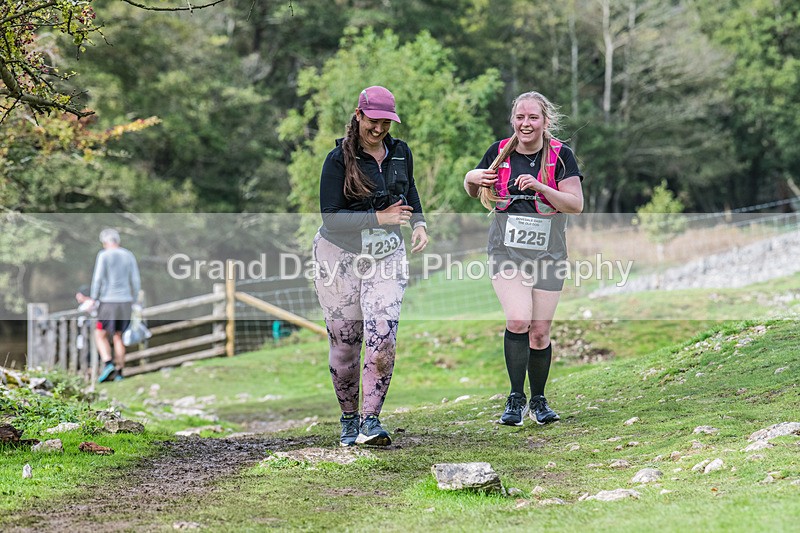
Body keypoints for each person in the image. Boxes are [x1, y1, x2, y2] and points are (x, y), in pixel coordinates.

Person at [313, 86, 428, 446]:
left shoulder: (400, 152)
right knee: (346, 343)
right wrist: (379, 218)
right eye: (373, 121)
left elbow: (410, 190)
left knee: (383, 335)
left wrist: (419, 222)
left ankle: (370, 421)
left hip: (386, 255)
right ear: (359, 115)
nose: (378, 129)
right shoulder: (338, 159)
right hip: (339, 255)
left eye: (386, 123)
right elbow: (331, 218)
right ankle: (349, 419)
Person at [464, 91, 584, 426]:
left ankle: (539, 401)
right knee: (519, 321)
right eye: (520, 117)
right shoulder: (499, 152)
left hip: (549, 254)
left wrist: (540, 187)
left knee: (540, 332)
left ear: (546, 121)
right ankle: (515, 399)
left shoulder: (561, 155)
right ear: (513, 120)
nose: (526, 123)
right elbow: (474, 189)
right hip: (506, 252)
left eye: (533, 117)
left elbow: (576, 205)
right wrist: (471, 178)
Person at [90, 228, 141, 383]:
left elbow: (98, 278)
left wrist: (93, 298)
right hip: (125, 301)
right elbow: (135, 280)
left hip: (108, 301)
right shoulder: (128, 255)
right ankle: (119, 372)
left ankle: (108, 363)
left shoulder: (103, 255)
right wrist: (134, 299)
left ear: (105, 242)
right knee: (118, 336)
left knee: (100, 334)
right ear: (118, 241)